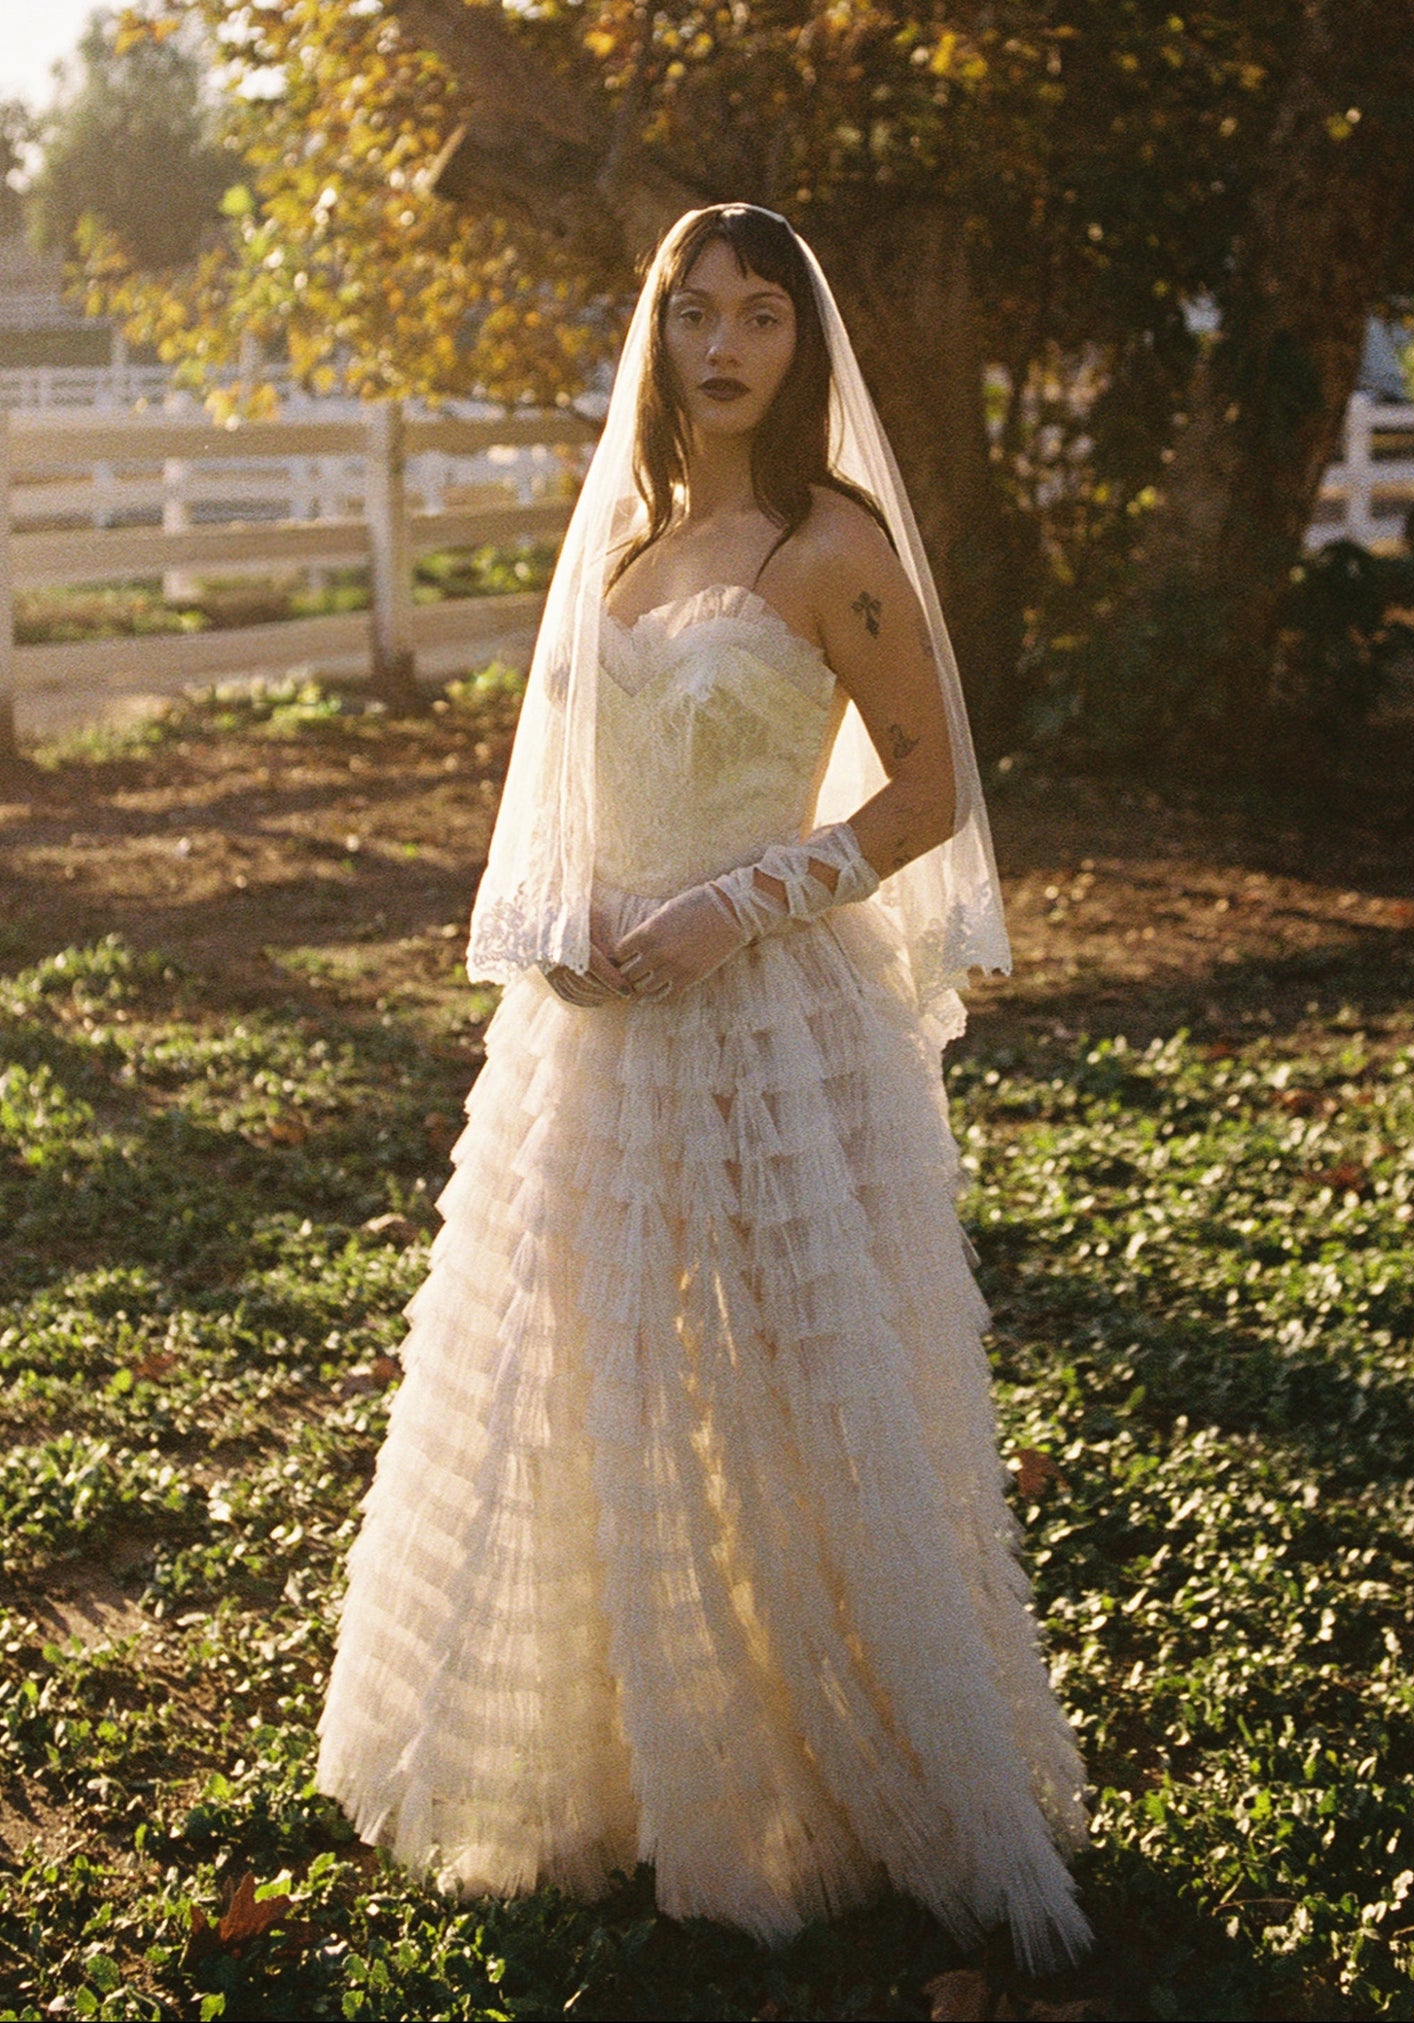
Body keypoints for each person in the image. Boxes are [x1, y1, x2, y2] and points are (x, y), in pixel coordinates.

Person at [317, 203, 1092, 1974]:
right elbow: (561, 800)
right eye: (696, 316)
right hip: (600, 1034)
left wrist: (732, 908)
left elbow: (927, 792)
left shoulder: (832, 545)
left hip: (771, 1026)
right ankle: (627, 1769)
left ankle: (831, 1767)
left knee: (794, 1373)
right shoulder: (628, 551)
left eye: (760, 316)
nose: (725, 346)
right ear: (656, 342)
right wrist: (573, 917)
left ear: (800, 349)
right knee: (598, 1369)